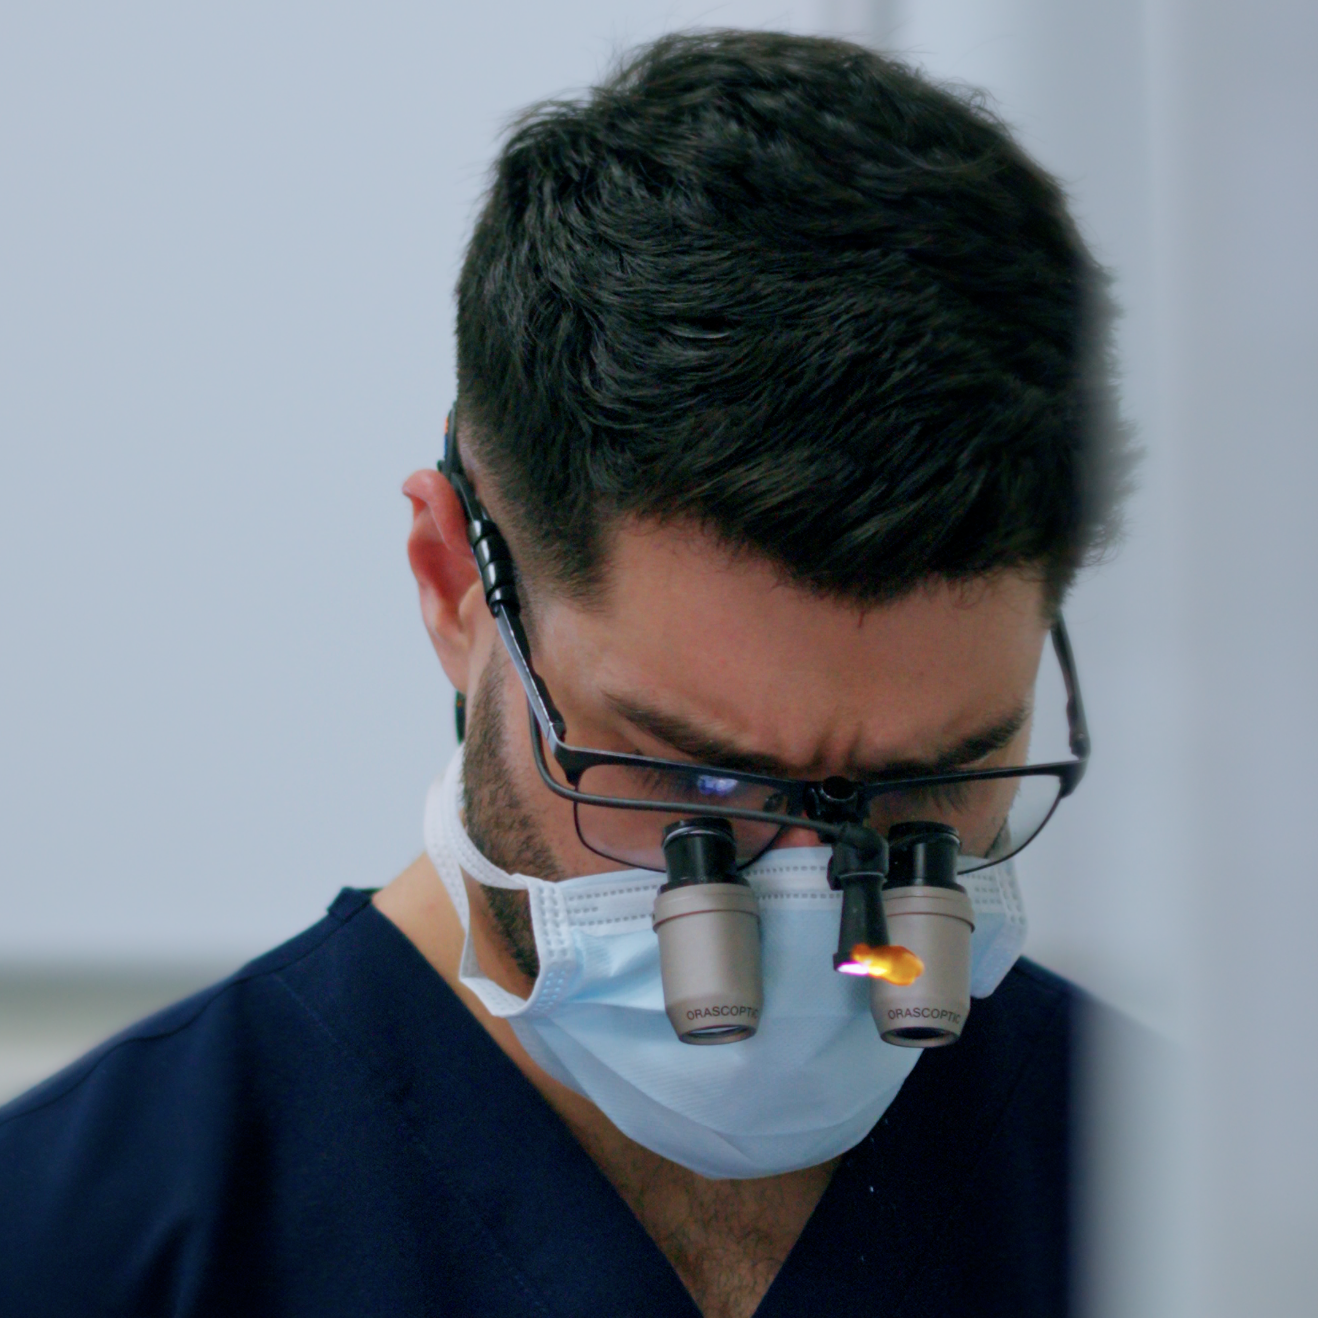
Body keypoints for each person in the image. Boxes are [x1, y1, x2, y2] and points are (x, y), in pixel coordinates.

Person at [0, 30, 1130, 1318]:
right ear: (452, 583)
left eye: (928, 785)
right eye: (690, 773)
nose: (815, 909)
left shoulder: (1208, 1213)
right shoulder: (75, 1248)